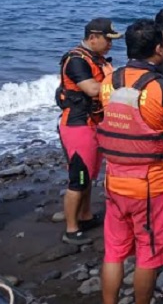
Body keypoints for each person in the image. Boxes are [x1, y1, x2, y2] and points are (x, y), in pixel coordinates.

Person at [98, 19, 163, 304]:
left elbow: (107, 122)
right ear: (158, 48)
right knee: (148, 253)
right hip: (151, 185)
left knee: (114, 251)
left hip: (114, 180)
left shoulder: (108, 83)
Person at [56, 18, 121, 245]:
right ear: (93, 38)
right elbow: (92, 89)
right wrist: (118, 83)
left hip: (94, 123)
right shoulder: (76, 60)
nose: (111, 45)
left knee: (90, 174)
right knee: (79, 177)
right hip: (77, 125)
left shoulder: (97, 58)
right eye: (107, 40)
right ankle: (71, 229)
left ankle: (85, 215)